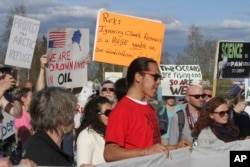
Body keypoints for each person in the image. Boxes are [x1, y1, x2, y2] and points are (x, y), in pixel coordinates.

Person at [104, 57, 191, 162]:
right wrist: (144, 152)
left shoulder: (150, 109)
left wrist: (176, 147)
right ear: (138, 77)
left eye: (160, 78)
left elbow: (153, 149)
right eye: (155, 77)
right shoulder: (122, 110)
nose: (159, 82)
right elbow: (109, 153)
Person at [22, 87, 77, 166]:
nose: (73, 118)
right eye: (72, 112)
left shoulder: (39, 143)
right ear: (62, 117)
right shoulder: (41, 153)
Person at [75, 96, 112, 167]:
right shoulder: (87, 135)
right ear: (95, 115)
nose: (111, 115)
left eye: (113, 112)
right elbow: (83, 165)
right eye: (107, 113)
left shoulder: (110, 133)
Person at [0, 65, 22, 142]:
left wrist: (16, 95)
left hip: (6, 145)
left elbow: (17, 114)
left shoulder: (2, 97)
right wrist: (2, 88)